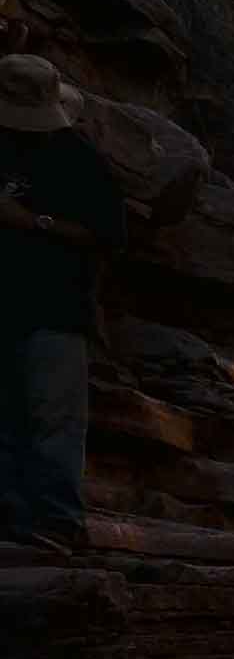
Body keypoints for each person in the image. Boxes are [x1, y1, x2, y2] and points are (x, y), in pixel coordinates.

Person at [0, 54, 126, 555]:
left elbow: (108, 235)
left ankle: (59, 523)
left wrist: (32, 222)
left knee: (55, 420)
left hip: (57, 308)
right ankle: (12, 519)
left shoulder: (78, 158)